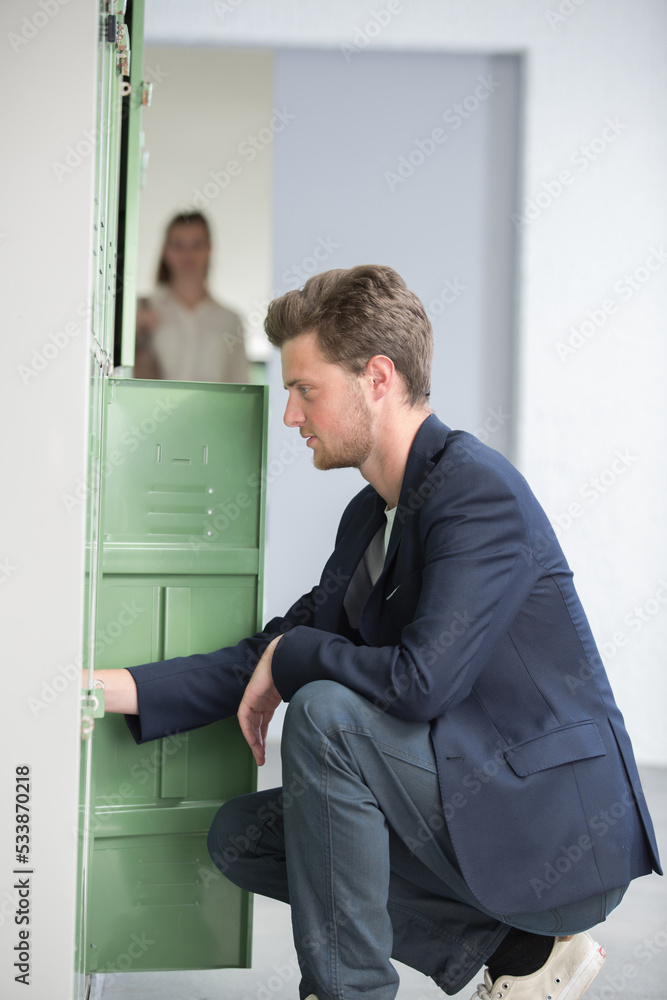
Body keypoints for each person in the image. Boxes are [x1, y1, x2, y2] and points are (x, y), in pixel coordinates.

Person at [95, 265, 661, 1000]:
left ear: (377, 378)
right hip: (472, 790)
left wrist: (293, 657)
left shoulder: (476, 493)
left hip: (555, 827)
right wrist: (102, 689)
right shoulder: (370, 516)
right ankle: (516, 952)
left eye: (305, 390)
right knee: (244, 834)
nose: (291, 417)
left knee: (328, 719)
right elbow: (272, 648)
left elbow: (419, 683)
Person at [133, 210, 249, 383]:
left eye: (196, 244)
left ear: (209, 249)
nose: (187, 254)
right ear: (166, 250)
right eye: (178, 245)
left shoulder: (230, 320)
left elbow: (242, 387)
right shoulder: (140, 310)